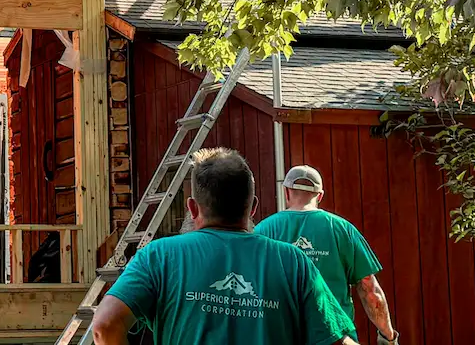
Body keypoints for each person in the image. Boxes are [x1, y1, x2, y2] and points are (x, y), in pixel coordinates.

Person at [89, 148, 358, 345]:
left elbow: (104, 326)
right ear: (252, 208)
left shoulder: (159, 256)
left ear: (193, 207)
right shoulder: (293, 261)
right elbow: (336, 340)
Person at [255, 165, 398, 345]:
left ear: (286, 192)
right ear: (320, 195)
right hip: (336, 338)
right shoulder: (342, 230)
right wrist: (388, 337)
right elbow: (370, 290)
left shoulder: (263, 231)